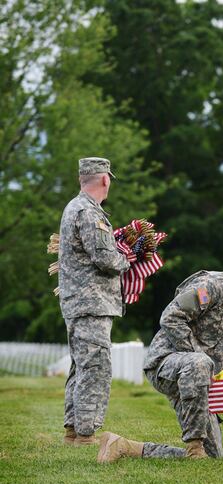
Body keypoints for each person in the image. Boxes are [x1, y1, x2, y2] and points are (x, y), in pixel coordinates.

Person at [97, 247, 223, 462]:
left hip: (201, 382)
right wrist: (200, 359)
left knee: (213, 456)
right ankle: (194, 445)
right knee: (201, 363)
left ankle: (123, 446)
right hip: (166, 364)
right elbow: (171, 318)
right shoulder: (210, 287)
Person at [59, 157, 130, 446]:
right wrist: (129, 259)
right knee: (96, 366)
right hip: (91, 302)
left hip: (80, 301)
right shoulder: (89, 212)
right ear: (105, 179)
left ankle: (73, 430)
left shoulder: (74, 208)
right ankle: (86, 434)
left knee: (82, 365)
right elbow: (104, 258)